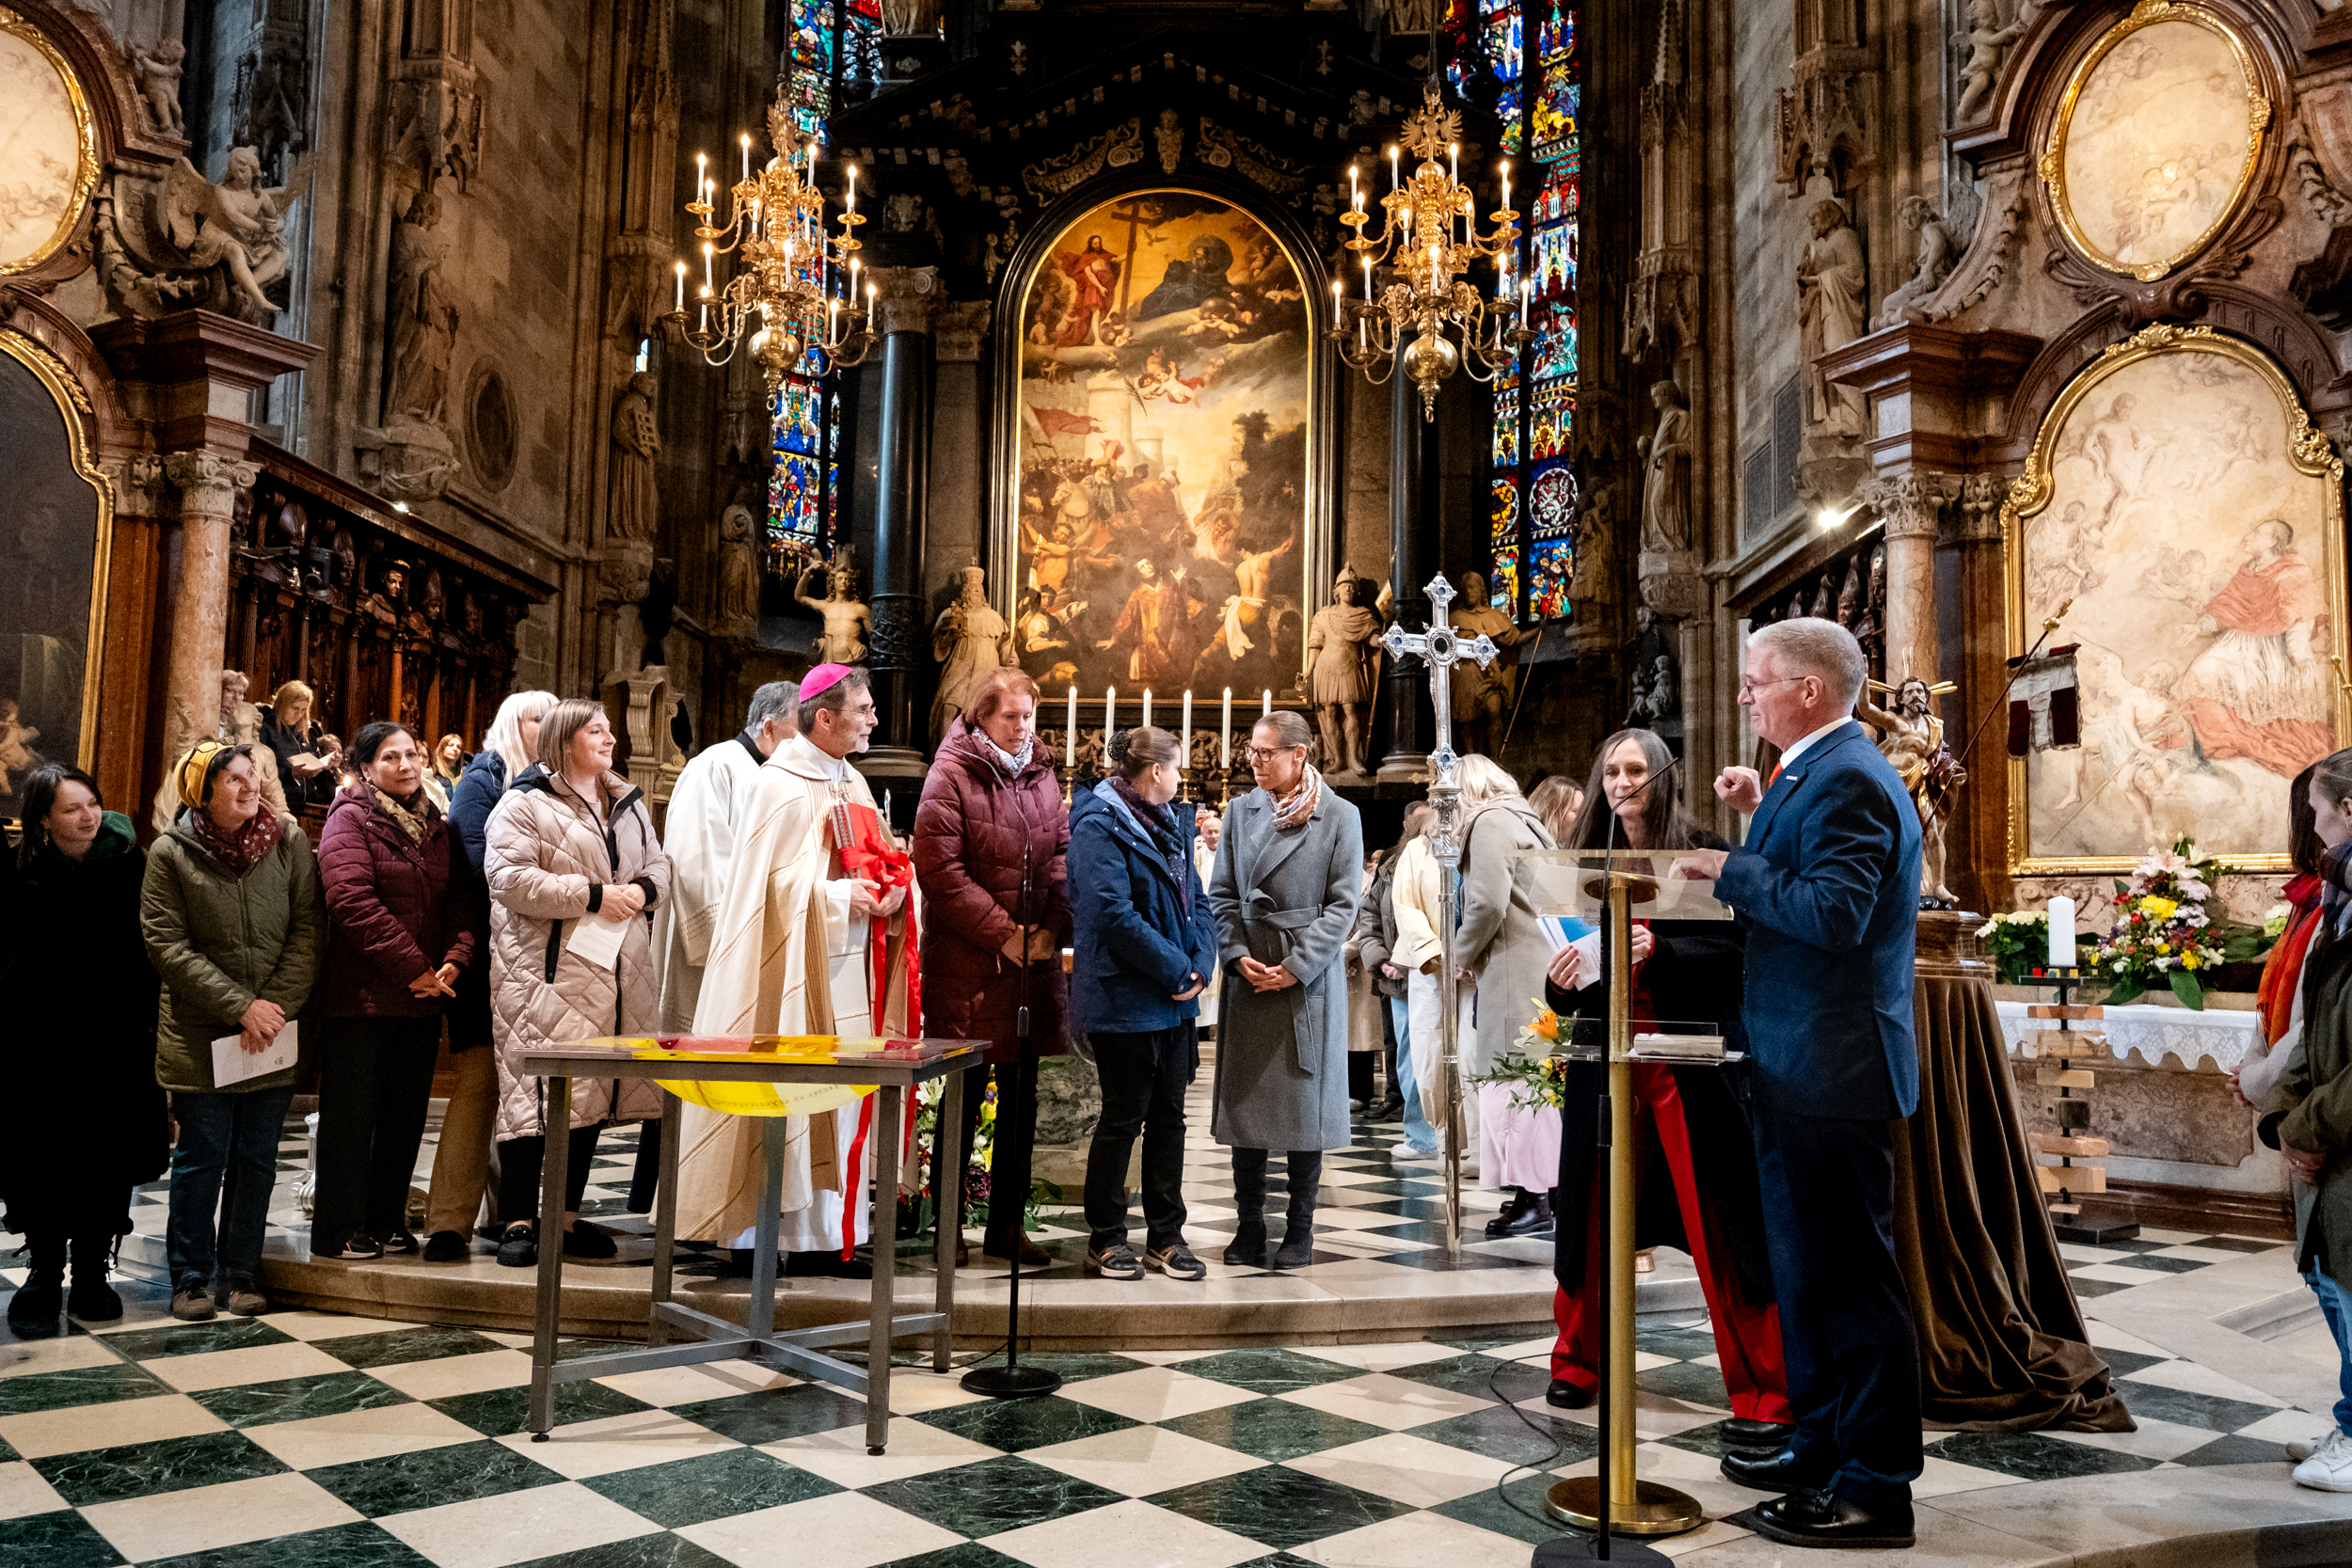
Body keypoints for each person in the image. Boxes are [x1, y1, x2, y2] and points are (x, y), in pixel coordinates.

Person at [1672, 616, 1924, 1550]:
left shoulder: (1850, 776)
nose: (1744, 695)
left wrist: (1731, 867)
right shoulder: (1809, 771)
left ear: (1808, 690)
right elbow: (1807, 874)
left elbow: (1834, 911)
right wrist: (1757, 818)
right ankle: (1818, 1446)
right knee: (1805, 1278)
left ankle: (1874, 1486)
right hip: (1796, 1059)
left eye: (1757, 681)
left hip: (1833, 1066)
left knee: (1851, 1284)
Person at [1544, 728, 1791, 1452]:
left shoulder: (1700, 850)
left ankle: (1765, 1385)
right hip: (1605, 1058)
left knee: (1723, 1221)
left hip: (1686, 1062)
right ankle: (1577, 1358)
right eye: (1611, 771)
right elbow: (1569, 957)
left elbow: (1739, 948)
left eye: (1635, 770)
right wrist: (1560, 978)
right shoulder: (1586, 859)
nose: (1622, 782)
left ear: (1661, 777)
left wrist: (1663, 949)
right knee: (1590, 1215)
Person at [675, 666, 914, 1278]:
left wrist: (893, 890)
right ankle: (757, 1237)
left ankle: (829, 1240)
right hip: (785, 973)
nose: (875, 719)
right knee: (785, 1097)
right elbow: (764, 892)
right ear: (824, 717)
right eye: (863, 709)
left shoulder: (853, 780)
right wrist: (836, 898)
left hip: (850, 968)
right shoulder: (777, 783)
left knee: (839, 1101)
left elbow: (879, 860)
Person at [483, 699, 670, 1267]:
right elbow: (507, 878)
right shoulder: (524, 802)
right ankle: (518, 1221)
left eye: (609, 730)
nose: (610, 739)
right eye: (596, 731)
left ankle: (563, 1220)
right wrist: (591, 895)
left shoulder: (628, 803)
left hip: (615, 972)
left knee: (589, 1095)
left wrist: (641, 890)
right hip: (544, 974)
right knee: (532, 1097)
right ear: (564, 742)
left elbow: (660, 865)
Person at [144, 741, 324, 1321]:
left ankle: (241, 1271)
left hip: (271, 1032)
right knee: (202, 1157)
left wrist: (273, 1008)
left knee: (257, 1158)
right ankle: (190, 1276)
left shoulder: (289, 841)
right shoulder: (171, 852)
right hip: (201, 1032)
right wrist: (242, 1007)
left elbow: (308, 929)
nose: (251, 787)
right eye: (235, 779)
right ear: (202, 792)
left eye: (254, 776)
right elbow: (167, 944)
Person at [310, 721, 485, 1261]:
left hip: (423, 997)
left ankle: (385, 1220)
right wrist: (414, 967)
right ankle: (338, 1228)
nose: (405, 765)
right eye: (390, 757)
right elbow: (351, 901)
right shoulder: (348, 818)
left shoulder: (436, 826)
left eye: (411, 754)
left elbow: (459, 903)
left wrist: (455, 959)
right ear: (365, 768)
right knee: (351, 1118)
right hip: (361, 997)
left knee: (403, 1118)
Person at [913, 667, 1069, 1270]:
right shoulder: (950, 773)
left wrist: (1051, 928)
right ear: (982, 715)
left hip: (1032, 964)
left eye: (1029, 715)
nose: (1023, 726)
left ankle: (1006, 1226)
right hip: (971, 966)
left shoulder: (1041, 772)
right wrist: (1003, 934)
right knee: (963, 1099)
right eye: (1011, 716)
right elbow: (939, 869)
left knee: (1021, 1103)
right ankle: (948, 1228)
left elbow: (1062, 853)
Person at [1, 767, 164, 1336]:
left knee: (106, 1155)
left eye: (93, 803)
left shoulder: (129, 865)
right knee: (39, 1159)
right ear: (43, 819)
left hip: (113, 1042)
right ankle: (44, 1271)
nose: (89, 816)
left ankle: (93, 1270)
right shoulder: (17, 872)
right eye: (72, 809)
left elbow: (151, 947)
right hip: (36, 1046)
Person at [1209, 709, 1364, 1268]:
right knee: (1246, 1109)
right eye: (1251, 751)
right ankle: (1249, 1225)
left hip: (1305, 981)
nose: (1254, 760)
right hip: (1251, 974)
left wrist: (1298, 966)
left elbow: (1344, 905)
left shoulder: (1340, 816)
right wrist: (1236, 955)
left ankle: (1300, 1229)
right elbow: (1221, 895)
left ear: (1299, 754)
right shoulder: (1240, 811)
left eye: (1266, 751)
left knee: (1305, 1111)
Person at [1070, 726, 1216, 1279]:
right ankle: (1106, 1237)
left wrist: (1201, 964)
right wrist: (1178, 968)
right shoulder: (1098, 823)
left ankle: (1166, 1237)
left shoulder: (1171, 823)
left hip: (1174, 999)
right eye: (1177, 767)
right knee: (1122, 1120)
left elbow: (1198, 902)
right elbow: (1112, 913)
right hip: (1125, 996)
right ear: (1156, 770)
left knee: (1170, 1120)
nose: (1181, 778)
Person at [424, 689, 555, 1260]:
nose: (549, 725)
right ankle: (448, 1222)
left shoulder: (553, 782)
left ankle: (508, 1216)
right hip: (486, 955)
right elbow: (479, 866)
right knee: (481, 1084)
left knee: (523, 1091)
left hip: (536, 957)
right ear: (512, 724)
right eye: (538, 718)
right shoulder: (484, 779)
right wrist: (550, 886)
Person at [2263, 749, 2352, 1490]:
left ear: (2348, 810)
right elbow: (2317, 1022)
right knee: (2332, 1277)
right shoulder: (2339, 899)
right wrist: (2287, 1118)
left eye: (2318, 811)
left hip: (2343, 1132)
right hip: (2327, 1127)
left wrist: (2306, 1125)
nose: (2312, 828)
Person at [1454, 753, 1562, 1236]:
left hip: (1514, 969)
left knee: (1514, 1082)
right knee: (1538, 1080)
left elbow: (1486, 902)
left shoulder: (1489, 823)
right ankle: (1545, 1191)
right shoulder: (1528, 821)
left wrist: (1461, 954)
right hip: (1543, 969)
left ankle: (1533, 1199)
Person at [657, 682, 797, 1035]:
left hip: (759, 934)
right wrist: (732, 937)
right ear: (769, 727)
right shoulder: (715, 765)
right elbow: (697, 857)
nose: (803, 746)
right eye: (798, 733)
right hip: (718, 942)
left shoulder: (776, 778)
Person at [1389, 799, 1464, 1170]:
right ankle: (1441, 1136)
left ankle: (1475, 1143)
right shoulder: (1417, 850)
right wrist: (1435, 953)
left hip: (1475, 967)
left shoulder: (1478, 840)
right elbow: (1405, 905)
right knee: (1430, 1054)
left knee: (1471, 1055)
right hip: (1432, 967)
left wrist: (1470, 952)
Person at [1354, 802, 1435, 1142]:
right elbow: (1369, 916)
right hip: (1395, 979)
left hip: (1431, 973)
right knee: (1405, 1054)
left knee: (1430, 1055)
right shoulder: (1390, 865)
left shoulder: (1443, 862)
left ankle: (1435, 1133)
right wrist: (1382, 960)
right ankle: (1417, 1134)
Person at [258, 680, 341, 808]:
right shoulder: (265, 729)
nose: (299, 714)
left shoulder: (307, 734)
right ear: (282, 704)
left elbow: (315, 776)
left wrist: (323, 768)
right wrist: (290, 773)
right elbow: (259, 769)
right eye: (295, 708)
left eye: (303, 710)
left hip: (306, 803)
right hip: (277, 802)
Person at [1530, 773, 1584, 846]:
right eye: (1576, 811)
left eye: (1583, 811)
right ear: (1553, 814)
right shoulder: (1530, 845)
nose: (1583, 817)